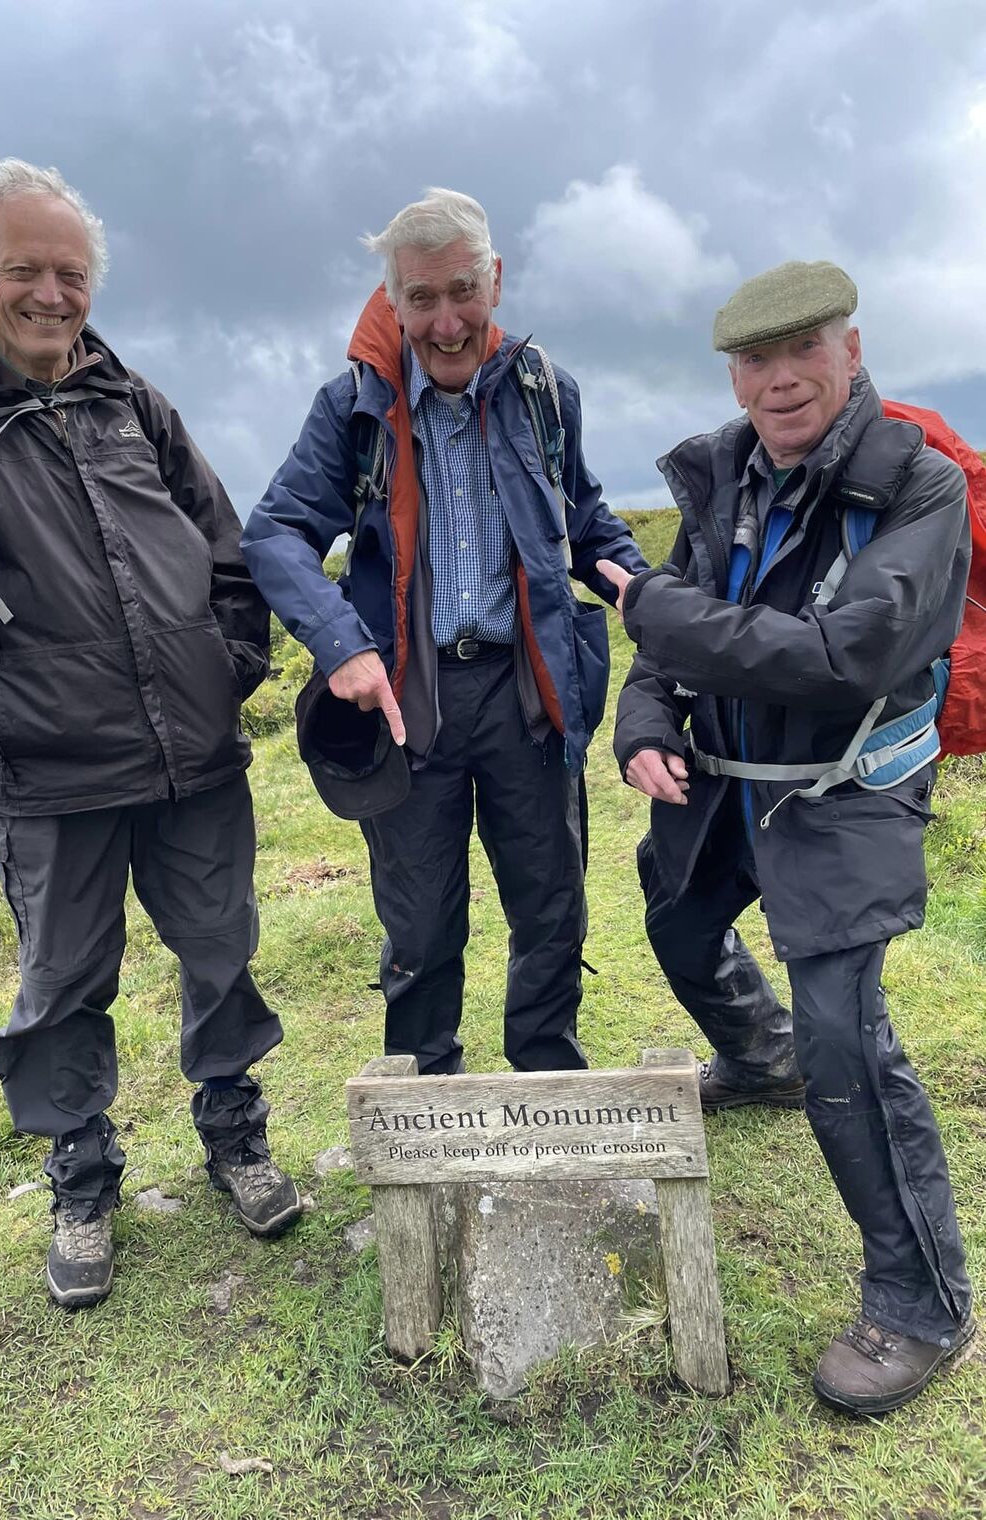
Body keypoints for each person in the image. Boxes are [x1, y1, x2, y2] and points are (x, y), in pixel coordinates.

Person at [0, 159, 302, 1311]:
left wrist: (226, 666)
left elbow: (227, 548)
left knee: (221, 947)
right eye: (24, 271)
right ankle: (83, 1182)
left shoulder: (127, 396)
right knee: (60, 982)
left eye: (70, 273)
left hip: (191, 753)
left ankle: (234, 1133)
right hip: (47, 769)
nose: (51, 294)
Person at [602, 260, 974, 1413]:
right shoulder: (724, 473)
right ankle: (755, 1056)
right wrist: (645, 722)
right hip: (727, 776)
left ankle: (923, 1303)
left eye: (800, 350)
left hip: (847, 786)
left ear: (848, 350)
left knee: (846, 1035)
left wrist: (646, 607)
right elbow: (672, 643)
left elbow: (843, 659)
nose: (778, 378)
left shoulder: (918, 488)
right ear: (734, 372)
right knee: (675, 918)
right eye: (755, 360)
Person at [242, 188, 646, 1077]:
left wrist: (636, 585)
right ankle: (426, 1102)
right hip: (406, 702)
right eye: (422, 298)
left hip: (527, 692)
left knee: (551, 907)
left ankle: (548, 1084)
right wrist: (341, 644)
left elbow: (582, 519)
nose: (447, 320)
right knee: (420, 926)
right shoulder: (351, 410)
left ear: (495, 280)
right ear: (394, 300)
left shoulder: (545, 393)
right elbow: (274, 533)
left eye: (463, 289)